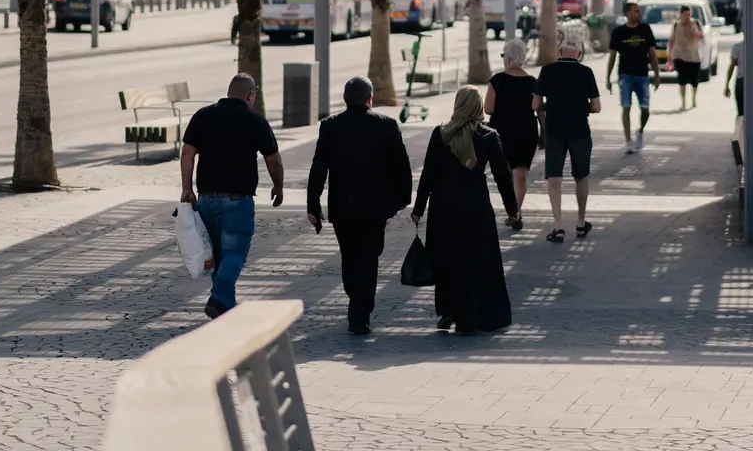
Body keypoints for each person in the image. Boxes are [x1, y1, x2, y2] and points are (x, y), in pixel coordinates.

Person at [306, 76, 413, 335]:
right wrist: (401, 200)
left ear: (345, 99)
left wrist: (313, 204)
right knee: (368, 259)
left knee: (350, 257)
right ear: (370, 98)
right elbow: (402, 166)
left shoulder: (331, 126)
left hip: (343, 207)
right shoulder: (387, 126)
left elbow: (319, 167)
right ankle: (360, 312)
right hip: (375, 209)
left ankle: (357, 304)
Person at [411, 86, 519, 335]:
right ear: (478, 106)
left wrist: (418, 209)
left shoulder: (441, 134)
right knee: (475, 260)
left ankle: (449, 309)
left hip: (443, 207)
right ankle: (471, 315)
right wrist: (512, 209)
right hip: (475, 207)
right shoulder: (488, 136)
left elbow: (428, 175)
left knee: (447, 259)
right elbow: (502, 175)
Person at [179, 73, 284, 319]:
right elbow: (274, 160)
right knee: (234, 252)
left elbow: (187, 153)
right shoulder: (255, 120)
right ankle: (218, 297)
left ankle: (226, 306)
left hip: (206, 199)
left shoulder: (203, 115)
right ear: (250, 95)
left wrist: (187, 188)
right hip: (238, 200)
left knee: (219, 254)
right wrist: (278, 187)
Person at [533, 32, 603, 243]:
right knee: (581, 176)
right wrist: (581, 106)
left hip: (554, 130)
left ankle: (558, 225)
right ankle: (581, 221)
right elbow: (597, 107)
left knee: (554, 178)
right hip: (580, 130)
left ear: (561, 51)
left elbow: (535, 105)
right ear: (579, 53)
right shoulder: (586, 72)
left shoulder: (547, 71)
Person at [485, 38, 537, 229]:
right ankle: (516, 212)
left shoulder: (496, 81)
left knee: (504, 173)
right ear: (523, 59)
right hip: (526, 132)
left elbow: (488, 109)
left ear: (507, 58)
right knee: (520, 173)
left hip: (501, 132)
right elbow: (539, 110)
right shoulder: (533, 82)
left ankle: (511, 210)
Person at [606, 2, 661, 154]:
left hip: (643, 75)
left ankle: (641, 131)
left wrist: (656, 74)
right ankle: (628, 140)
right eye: (636, 11)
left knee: (645, 110)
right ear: (627, 14)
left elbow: (652, 54)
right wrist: (608, 77)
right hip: (625, 75)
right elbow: (612, 56)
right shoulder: (618, 32)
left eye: (640, 11)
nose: (639, 14)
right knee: (626, 107)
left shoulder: (645, 29)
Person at [667, 4, 705, 110]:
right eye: (685, 14)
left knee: (694, 80)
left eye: (689, 14)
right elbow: (671, 40)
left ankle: (693, 99)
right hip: (679, 55)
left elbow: (702, 37)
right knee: (682, 79)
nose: (687, 17)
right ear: (681, 15)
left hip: (694, 56)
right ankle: (683, 102)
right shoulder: (676, 25)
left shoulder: (696, 23)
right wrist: (669, 54)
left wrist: (696, 33)